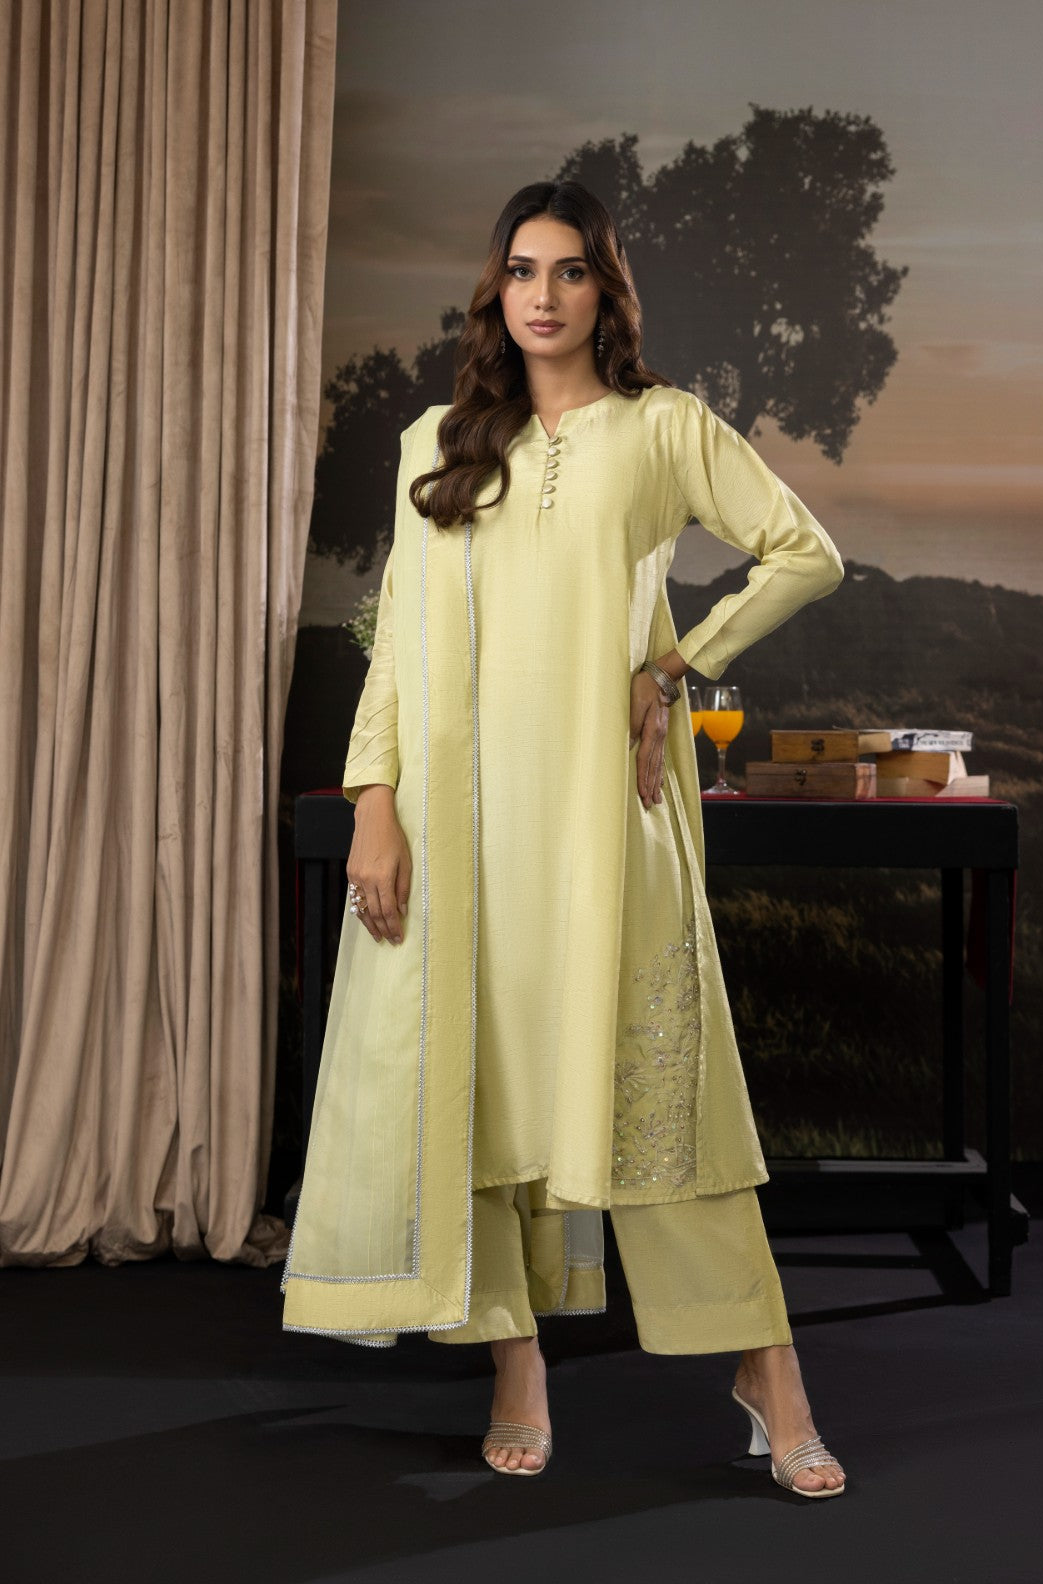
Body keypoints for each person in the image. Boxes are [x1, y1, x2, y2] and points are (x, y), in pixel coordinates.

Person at [281, 180, 847, 1498]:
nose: (544, 295)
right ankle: (516, 1368)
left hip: (605, 821)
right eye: (523, 271)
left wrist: (674, 666)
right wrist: (375, 804)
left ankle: (770, 1378)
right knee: (477, 1099)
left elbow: (802, 550)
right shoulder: (437, 443)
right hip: (460, 831)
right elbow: (397, 642)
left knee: (666, 1101)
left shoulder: (662, 429)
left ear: (606, 291)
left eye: (571, 271)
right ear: (498, 289)